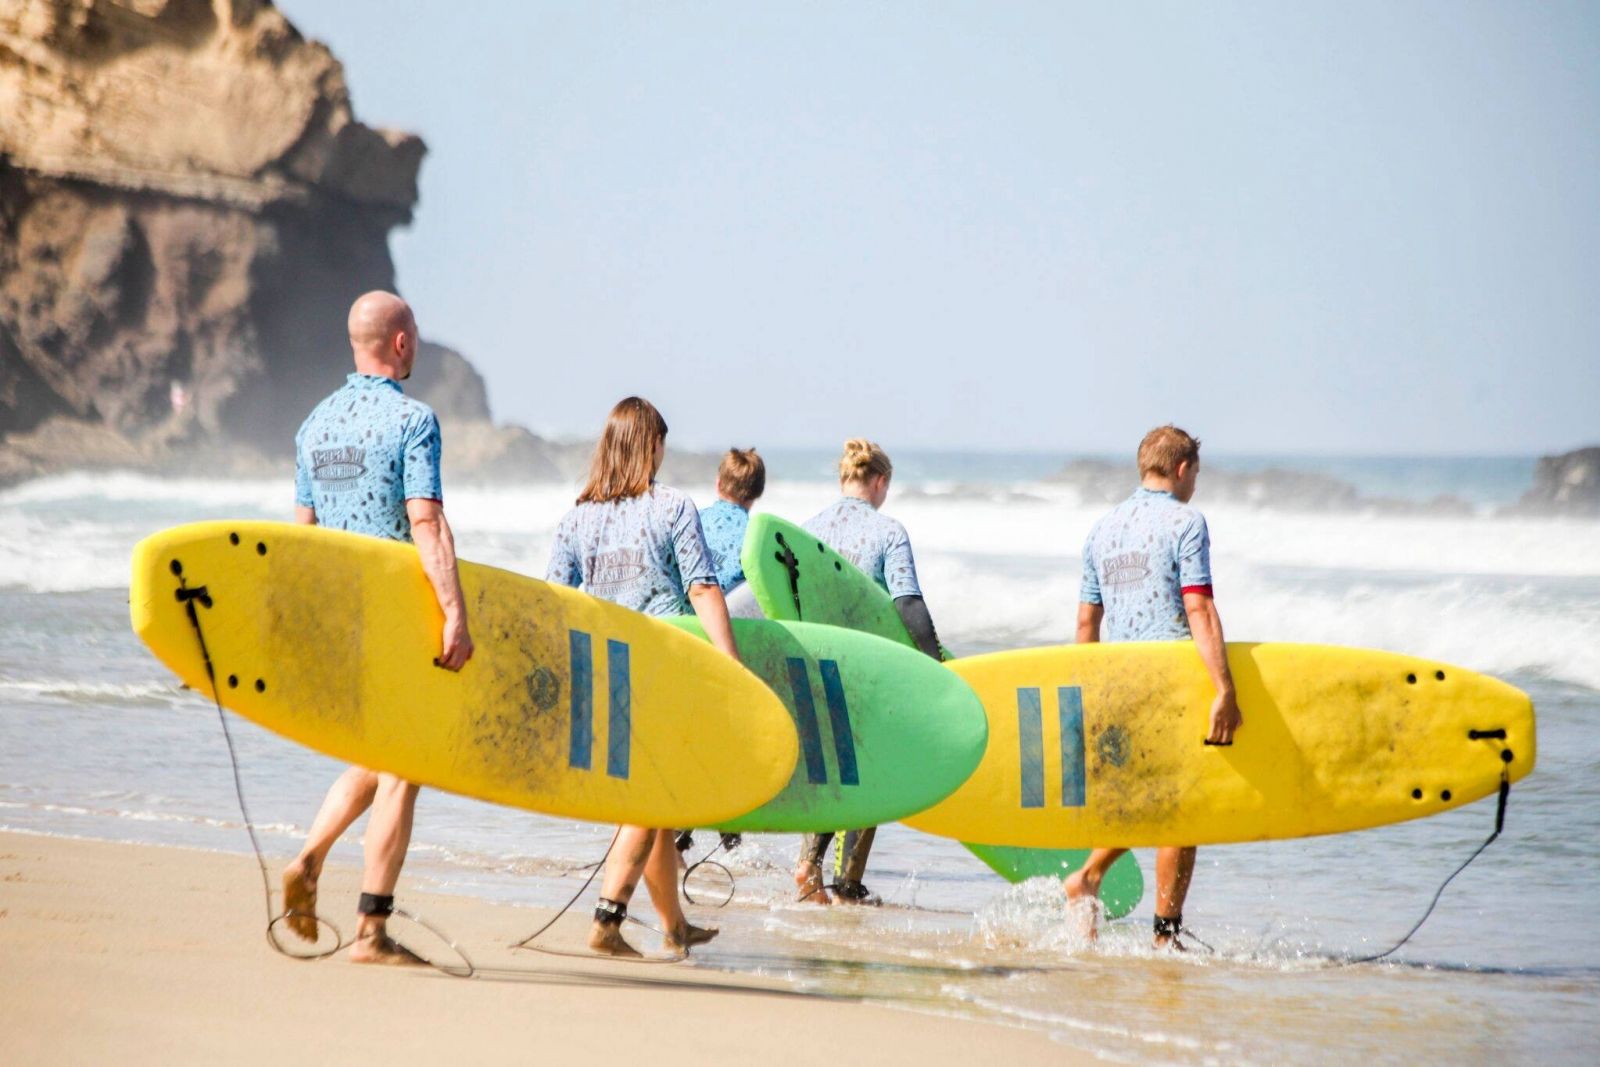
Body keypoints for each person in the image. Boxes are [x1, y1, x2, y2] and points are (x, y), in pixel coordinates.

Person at [278, 292, 475, 965]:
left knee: (375, 757)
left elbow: (299, 538)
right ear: (399, 342)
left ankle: (310, 859)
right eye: (414, 332)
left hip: (337, 620)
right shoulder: (413, 420)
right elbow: (425, 520)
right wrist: (454, 609)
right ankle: (371, 930)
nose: (416, 342)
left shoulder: (314, 425)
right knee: (403, 769)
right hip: (392, 618)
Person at [547, 396, 741, 958]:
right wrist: (730, 665)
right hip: (660, 668)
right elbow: (703, 588)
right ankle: (608, 917)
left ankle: (674, 927)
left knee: (651, 801)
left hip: (601, 673)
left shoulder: (575, 517)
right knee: (654, 797)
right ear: (648, 446)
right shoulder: (673, 506)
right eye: (661, 443)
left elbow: (555, 601)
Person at [1063, 424, 1241, 949]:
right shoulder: (1187, 522)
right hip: (1171, 679)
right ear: (1182, 469)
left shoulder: (1103, 529)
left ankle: (1091, 879)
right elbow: (1198, 606)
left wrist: (1083, 694)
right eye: (1196, 476)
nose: (1195, 486)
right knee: (1181, 808)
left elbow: (1084, 624)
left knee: (1148, 801)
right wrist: (1224, 690)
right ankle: (1163, 935)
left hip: (1118, 679)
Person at [794, 438, 943, 905]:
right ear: (879, 482)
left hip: (814, 664)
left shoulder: (806, 530)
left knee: (827, 770)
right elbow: (908, 603)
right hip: (865, 671)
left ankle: (807, 865)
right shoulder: (888, 531)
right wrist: (934, 664)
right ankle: (847, 885)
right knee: (870, 775)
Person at [699, 447, 766, 593]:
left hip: (676, 612)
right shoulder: (757, 539)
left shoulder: (690, 519)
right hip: (728, 612)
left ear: (718, 484)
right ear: (759, 491)